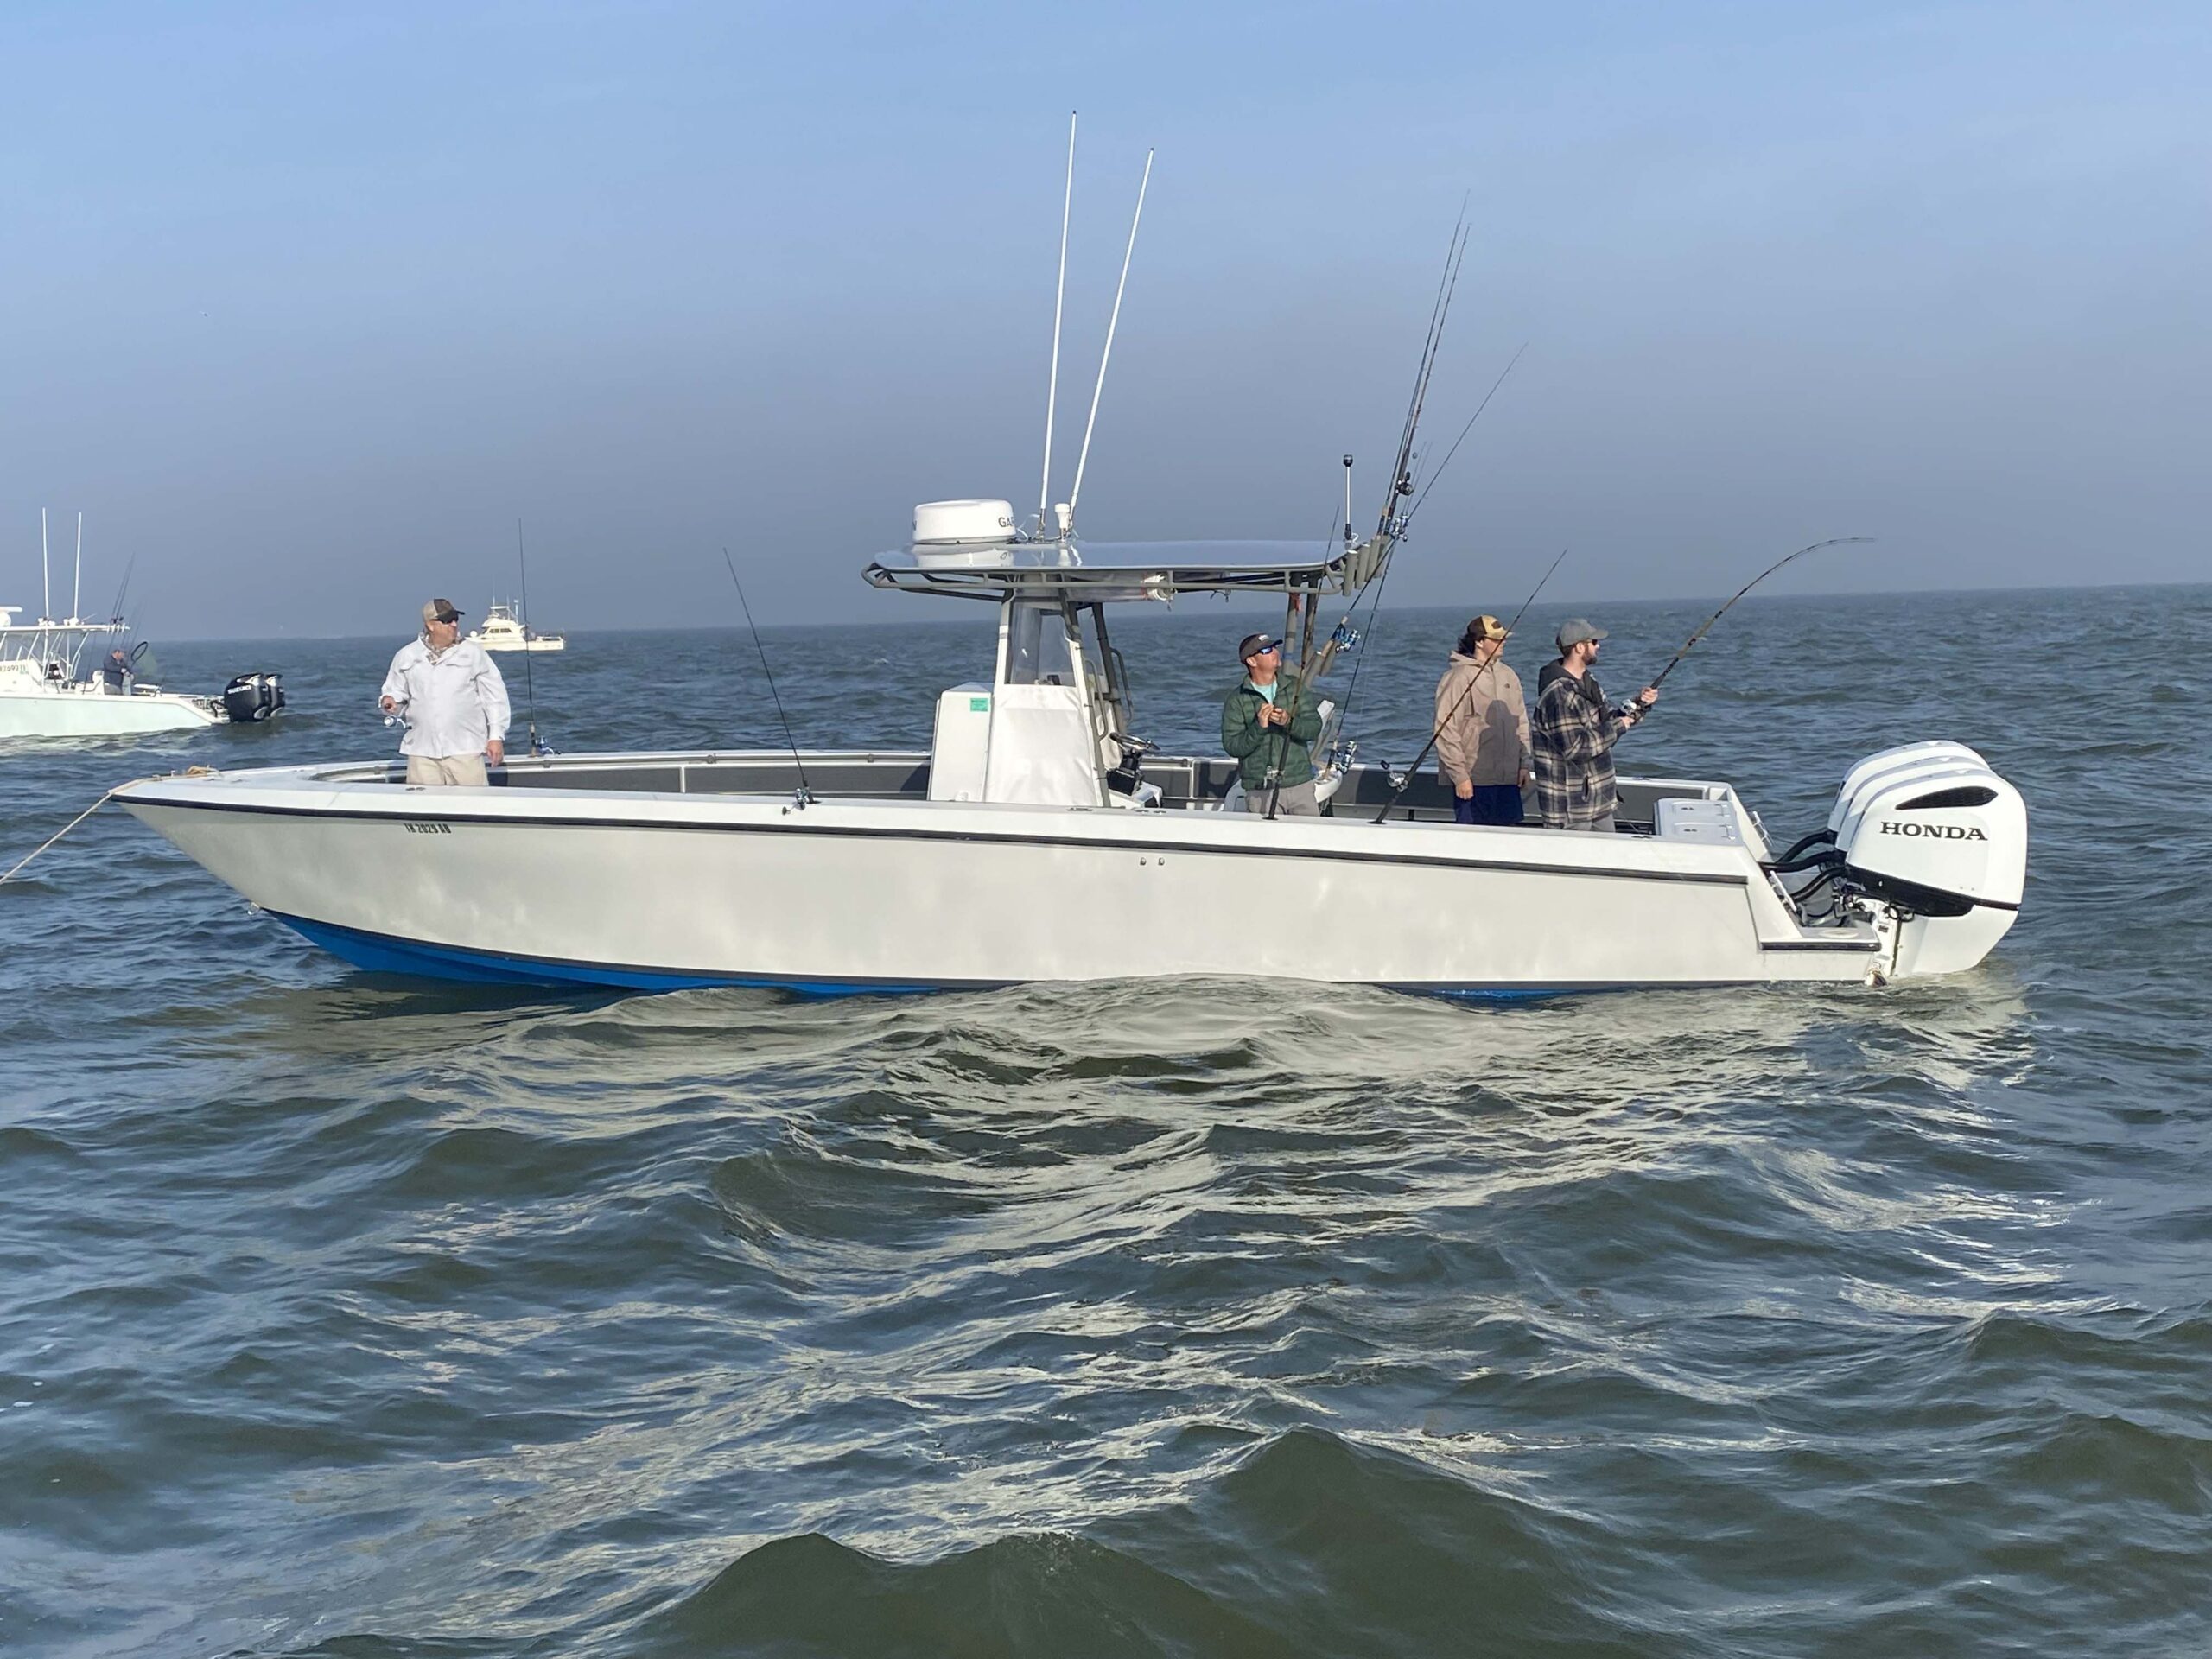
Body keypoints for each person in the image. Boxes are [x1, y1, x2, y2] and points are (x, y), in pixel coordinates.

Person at [1529, 618, 1657, 833]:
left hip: (1600, 800)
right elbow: (1576, 748)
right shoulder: (1559, 696)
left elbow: (1605, 722)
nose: (1599, 646)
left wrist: (1639, 704)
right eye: (1594, 642)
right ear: (1579, 647)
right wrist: (1620, 725)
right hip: (1571, 807)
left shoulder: (1588, 683)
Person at [378, 598, 511, 785]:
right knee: (423, 809)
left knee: (474, 807)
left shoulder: (473, 653)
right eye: (448, 621)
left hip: (465, 749)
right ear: (431, 625)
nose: (454, 625)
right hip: (422, 751)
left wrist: (496, 737)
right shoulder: (406, 656)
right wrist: (389, 701)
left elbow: (495, 697)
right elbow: (395, 692)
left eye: (456, 619)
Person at [1433, 613, 1531, 826]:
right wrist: (1460, 776)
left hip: (1508, 781)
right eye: (1496, 639)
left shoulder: (1509, 676)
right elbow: (1445, 730)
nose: (1503, 643)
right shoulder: (1458, 677)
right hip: (1475, 781)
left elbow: (1521, 722)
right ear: (1479, 641)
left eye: (1503, 638)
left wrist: (1524, 764)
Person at [1220, 632, 1324, 816]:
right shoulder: (1237, 700)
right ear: (1251, 661)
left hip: (1299, 785)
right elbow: (1233, 746)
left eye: (1275, 647)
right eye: (1267, 650)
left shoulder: (1294, 688)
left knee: (1308, 839)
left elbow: (1314, 727)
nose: (1275, 652)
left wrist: (1288, 722)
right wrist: (1259, 726)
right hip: (1261, 789)